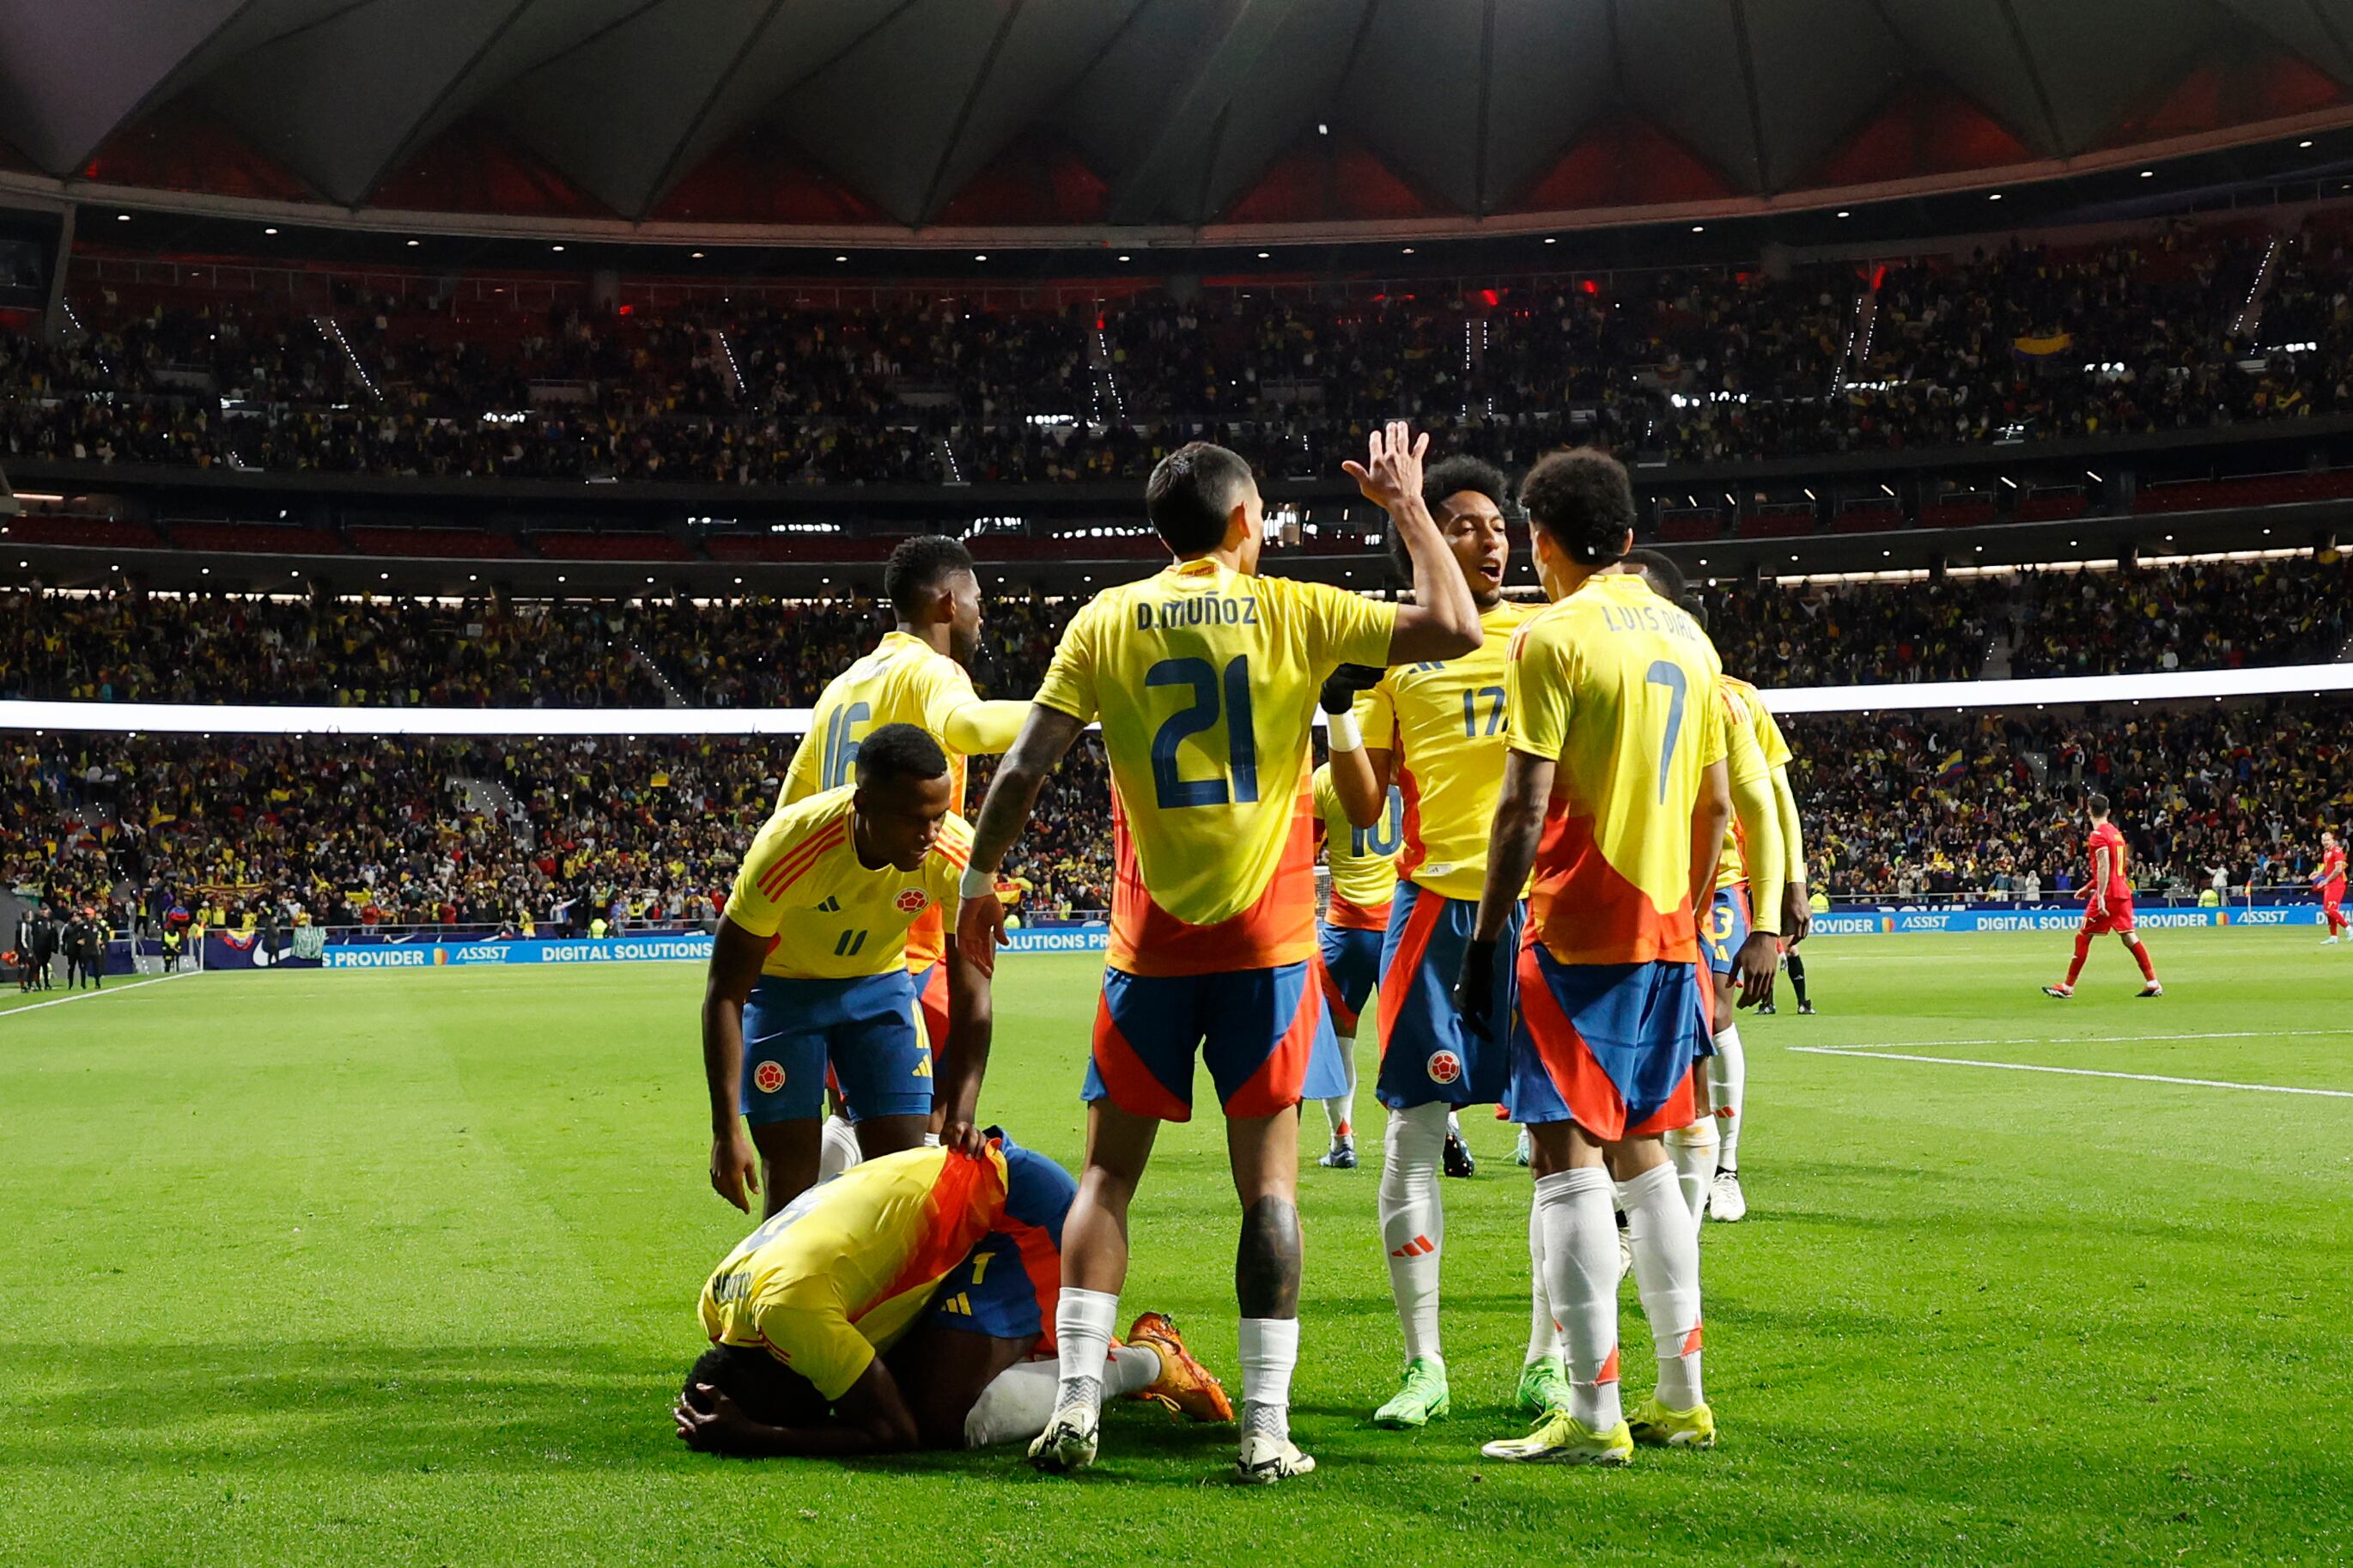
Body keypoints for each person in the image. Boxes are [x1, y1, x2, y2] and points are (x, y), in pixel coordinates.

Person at [951, 428, 1482, 1483]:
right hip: (1271, 950)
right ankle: (1265, 1428)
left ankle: (1075, 1412)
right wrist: (1407, 505)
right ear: (1246, 520)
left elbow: (1021, 769)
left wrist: (976, 888)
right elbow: (1457, 625)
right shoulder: (1296, 609)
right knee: (1269, 1191)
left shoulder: (1106, 619)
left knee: (1106, 1177)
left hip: (1146, 947)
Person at [1458, 447, 1751, 1465]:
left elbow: (1521, 805)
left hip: (1577, 937)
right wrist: (1688, 914)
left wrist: (1487, 934)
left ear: (1541, 540)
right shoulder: (1689, 636)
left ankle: (1591, 1413)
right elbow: (1716, 806)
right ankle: (1683, 1396)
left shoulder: (1551, 638)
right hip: (1669, 935)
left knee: (1562, 1161)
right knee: (1650, 1158)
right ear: (1626, 537)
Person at [1320, 453, 1547, 1430]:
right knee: (1412, 1132)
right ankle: (1425, 1366)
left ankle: (1551, 1359)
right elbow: (1365, 803)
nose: (1490, 538)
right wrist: (1334, 710)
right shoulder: (1393, 650)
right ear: (1420, 539)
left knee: (1561, 1146)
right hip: (1431, 913)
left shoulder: (1542, 634)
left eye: (1497, 524)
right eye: (1464, 523)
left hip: (1541, 914)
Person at [676, 1133, 1230, 1457]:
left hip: (1018, 1213)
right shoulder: (719, 1300)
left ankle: (1150, 1360)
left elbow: (896, 1433)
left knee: (943, 1417)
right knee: (897, 1378)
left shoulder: (792, 1315)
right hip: (964, 1221)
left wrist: (761, 1435)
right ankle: (1041, 1344)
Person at [704, 724, 988, 1219]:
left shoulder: (956, 856)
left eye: (939, 817)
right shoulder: (789, 847)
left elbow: (974, 996)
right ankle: (783, 1294)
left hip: (880, 991)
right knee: (790, 1179)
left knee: (901, 1178)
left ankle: (884, 1297)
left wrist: (962, 1110)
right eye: (912, 818)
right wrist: (725, 1131)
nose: (929, 835)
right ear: (863, 804)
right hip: (784, 997)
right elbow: (725, 992)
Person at [780, 535, 1029, 1072]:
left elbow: (788, 812)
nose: (981, 616)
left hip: (836, 927)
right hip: (909, 929)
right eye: (978, 600)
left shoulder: (841, 687)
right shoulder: (932, 671)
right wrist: (1073, 705)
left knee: (852, 1111)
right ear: (948, 602)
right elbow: (973, 725)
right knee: (919, 1120)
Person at [1622, 550, 1789, 1226]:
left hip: (1709, 888)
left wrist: (1776, 910)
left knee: (1713, 1024)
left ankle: (1720, 1173)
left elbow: (1764, 807)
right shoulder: (1599, 673)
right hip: (1626, 887)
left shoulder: (1727, 698)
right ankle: (1646, 1193)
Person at [1306, 759, 1401, 1169]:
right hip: (1402, 926)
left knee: (1338, 1039)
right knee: (1413, 1037)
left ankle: (1342, 1140)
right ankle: (1445, 1131)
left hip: (1347, 931)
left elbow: (1304, 849)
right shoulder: (1407, 766)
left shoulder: (1327, 777)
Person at [2044, 793, 2162, 999]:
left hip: (2108, 894)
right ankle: (2153, 982)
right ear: (2108, 811)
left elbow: (2104, 864)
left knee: (2083, 936)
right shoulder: (2116, 834)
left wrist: (2099, 895)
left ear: (2089, 809)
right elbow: (2117, 867)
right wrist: (2089, 886)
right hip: (2122, 891)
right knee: (2129, 936)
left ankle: (2068, 986)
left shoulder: (2098, 835)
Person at [2314, 830, 2347, 945]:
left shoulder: (2337, 851)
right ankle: (2334, 937)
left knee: (2330, 910)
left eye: (2328, 840)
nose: (2326, 842)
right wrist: (2318, 873)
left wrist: (2325, 881)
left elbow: (2338, 869)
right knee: (2327, 911)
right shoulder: (2326, 852)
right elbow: (2328, 867)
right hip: (2329, 884)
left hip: (2337, 883)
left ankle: (2349, 929)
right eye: (2324, 840)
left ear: (2333, 840)